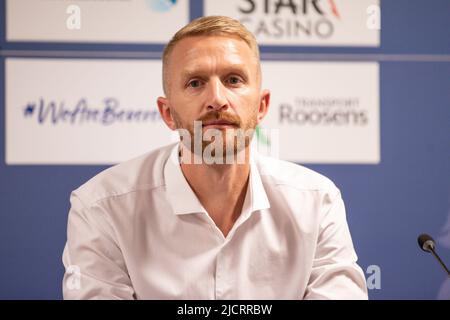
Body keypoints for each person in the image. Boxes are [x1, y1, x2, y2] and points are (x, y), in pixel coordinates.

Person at [62, 15, 368, 300]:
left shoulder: (316, 201)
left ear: (261, 106)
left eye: (233, 80)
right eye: (195, 83)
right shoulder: (101, 206)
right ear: (167, 113)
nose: (217, 100)